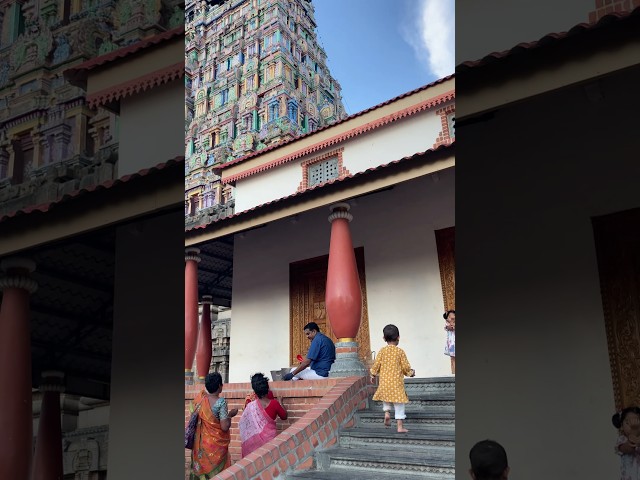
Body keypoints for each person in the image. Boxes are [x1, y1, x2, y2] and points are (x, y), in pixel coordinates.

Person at [189, 372, 238, 479]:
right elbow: (224, 426)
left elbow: (193, 413)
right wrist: (230, 415)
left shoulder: (200, 398)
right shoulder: (221, 402)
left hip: (200, 445)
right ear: (220, 386)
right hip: (215, 446)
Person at [369, 324, 415, 433]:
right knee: (399, 403)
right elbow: (405, 367)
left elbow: (376, 365)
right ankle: (399, 427)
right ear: (398, 337)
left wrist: (372, 374)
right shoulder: (400, 352)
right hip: (396, 384)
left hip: (385, 383)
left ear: (384, 338)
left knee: (386, 397)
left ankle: (387, 413)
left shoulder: (382, 351)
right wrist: (411, 373)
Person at [239, 373, 288, 457]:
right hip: (270, 444)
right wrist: (280, 402)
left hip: (253, 444)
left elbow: (243, 424)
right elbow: (284, 416)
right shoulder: (274, 403)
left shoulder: (250, 405)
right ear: (267, 388)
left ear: (254, 390)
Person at [612, 406, 640, 480]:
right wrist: (634, 433)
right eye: (628, 422)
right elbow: (628, 448)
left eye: (637, 421)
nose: (633, 425)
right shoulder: (622, 439)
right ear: (621, 425)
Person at [444, 310, 455, 374]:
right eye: (450, 317)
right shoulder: (447, 324)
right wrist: (451, 324)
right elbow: (449, 328)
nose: (451, 318)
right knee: (453, 358)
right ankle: (454, 373)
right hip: (452, 344)